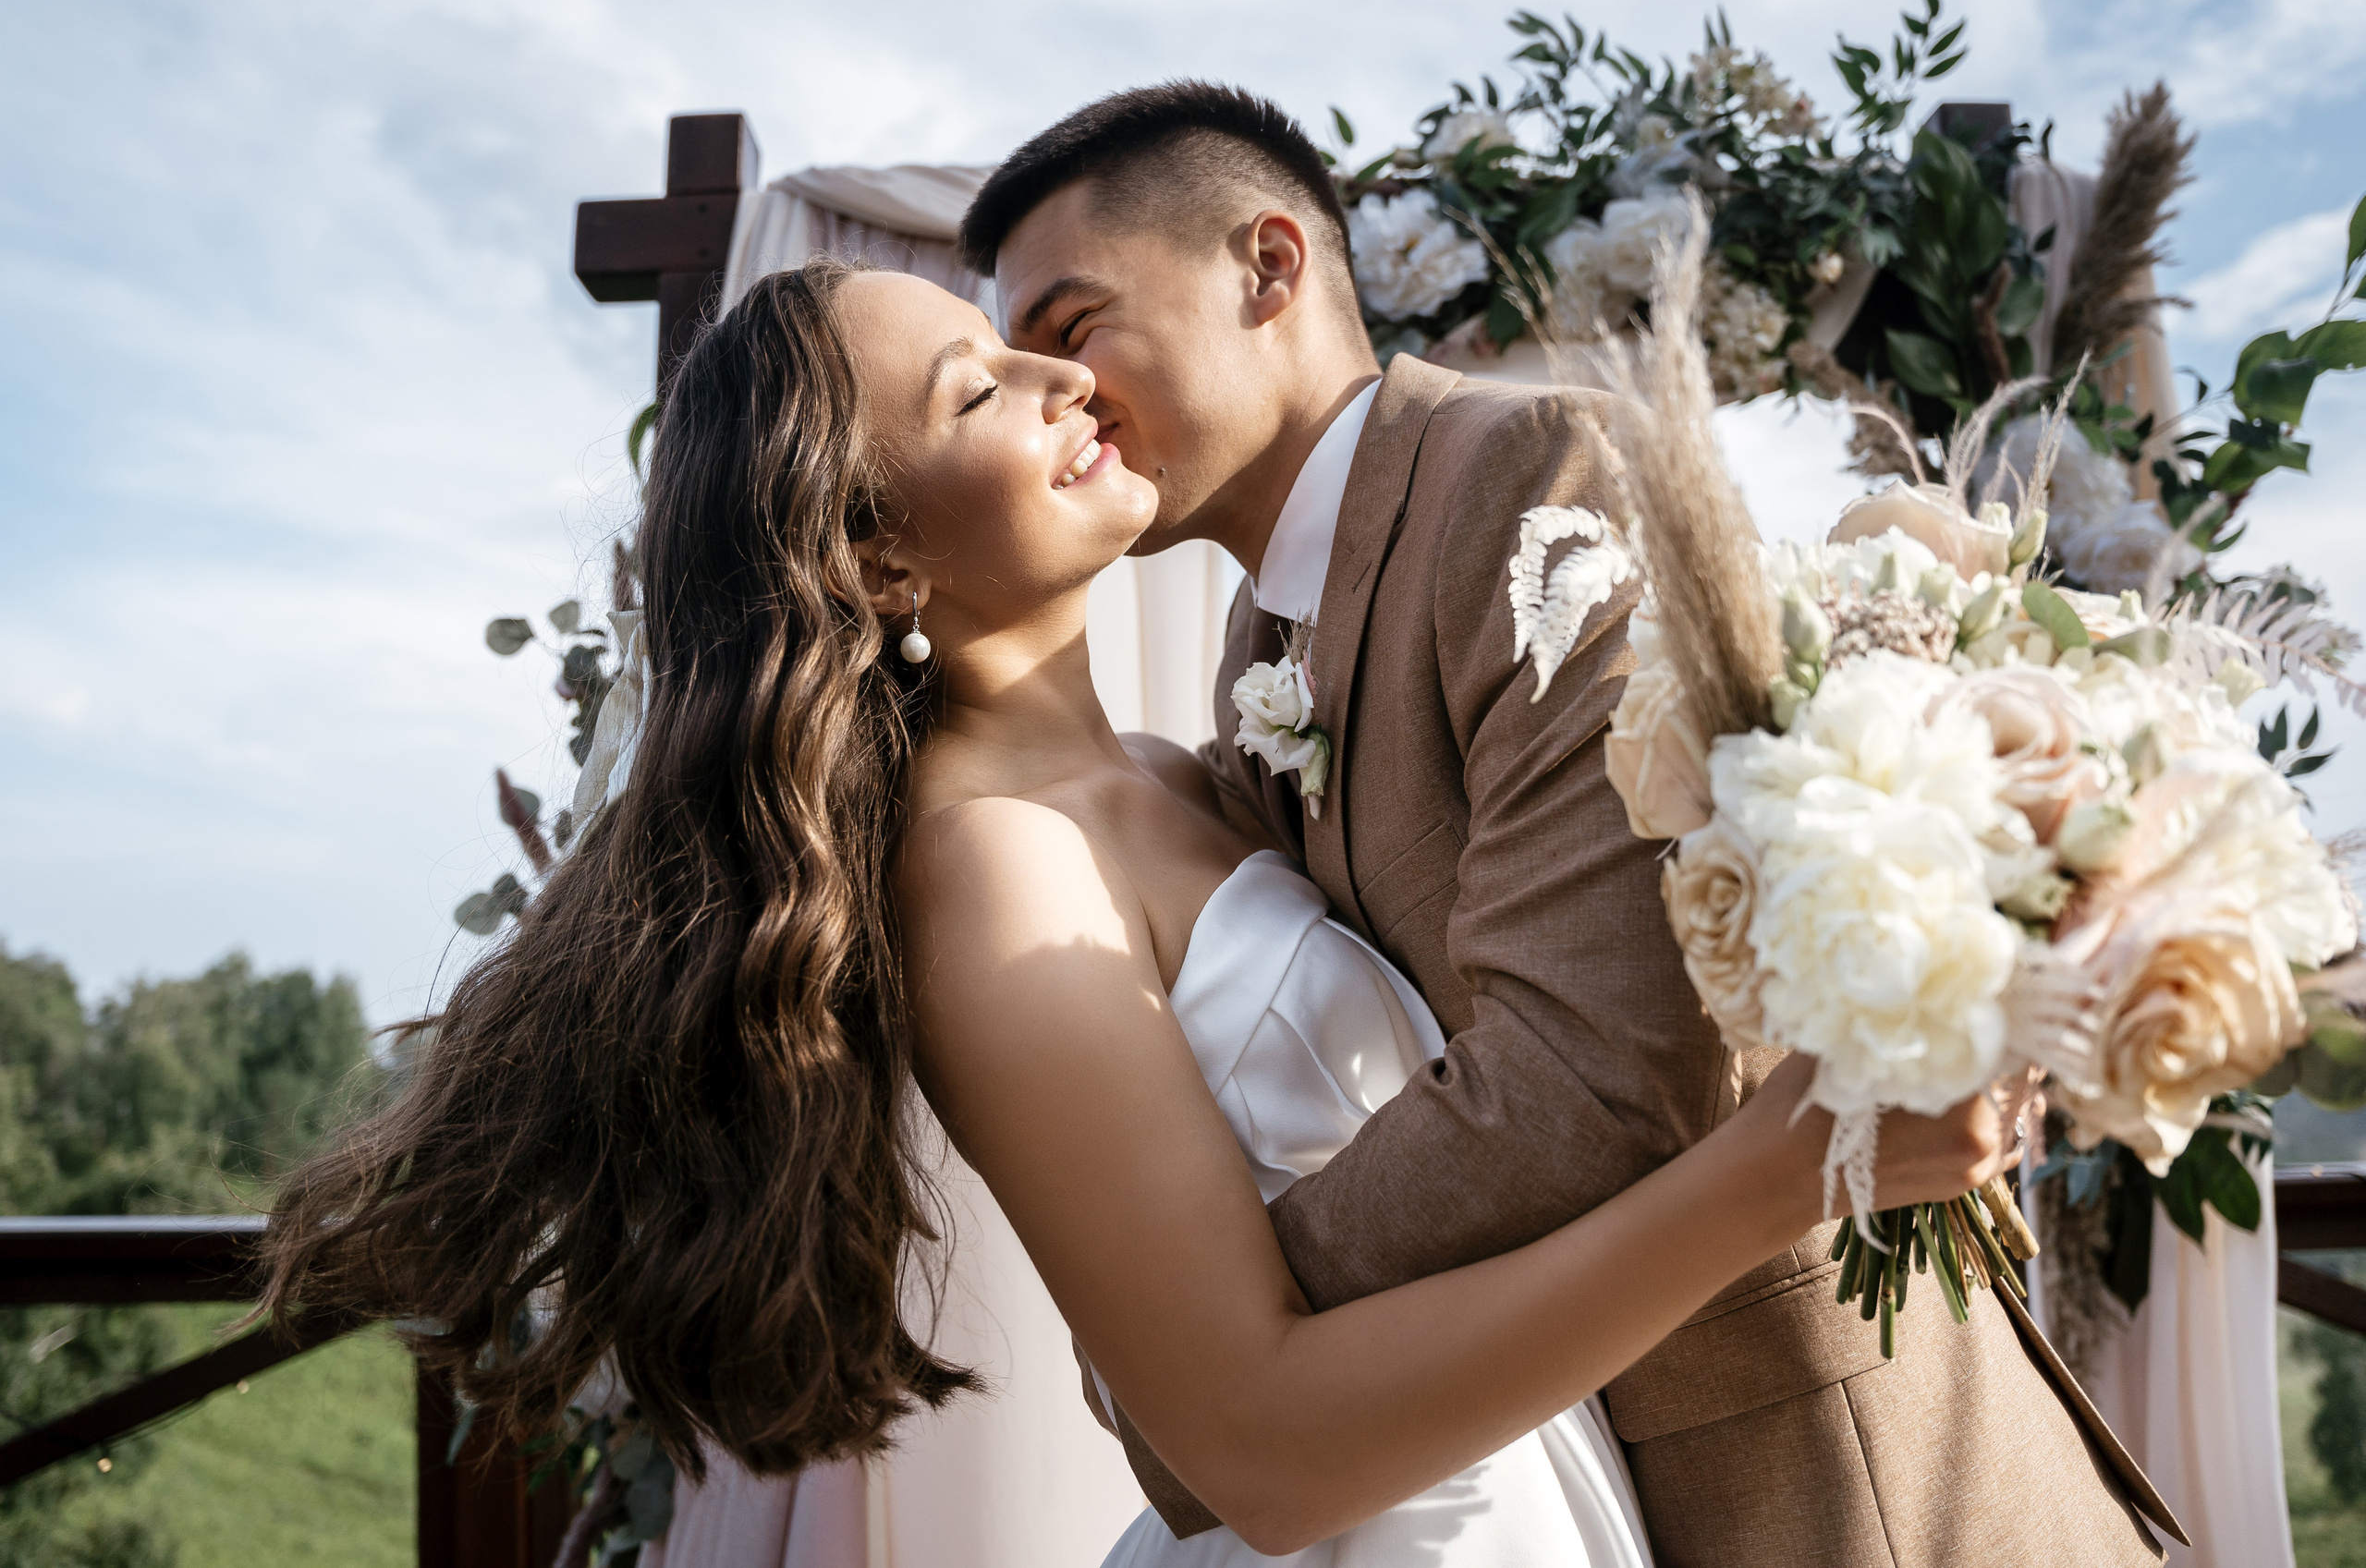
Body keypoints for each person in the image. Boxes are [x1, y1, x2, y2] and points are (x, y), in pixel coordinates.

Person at [259, 249, 2017, 1564]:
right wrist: (1788, 1166)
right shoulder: (988, 870)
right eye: (976, 389)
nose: (1059, 379)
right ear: (877, 562)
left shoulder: (1185, 775)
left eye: (1025, 341)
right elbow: (1252, 1446)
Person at [954, 83, 2176, 1565]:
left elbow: (1604, 1069)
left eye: (1073, 330)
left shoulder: (1536, 472)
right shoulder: (1258, 656)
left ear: (1267, 268)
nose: (1062, 397)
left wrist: (1211, 1370)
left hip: (1821, 1462)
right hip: (1536, 1473)